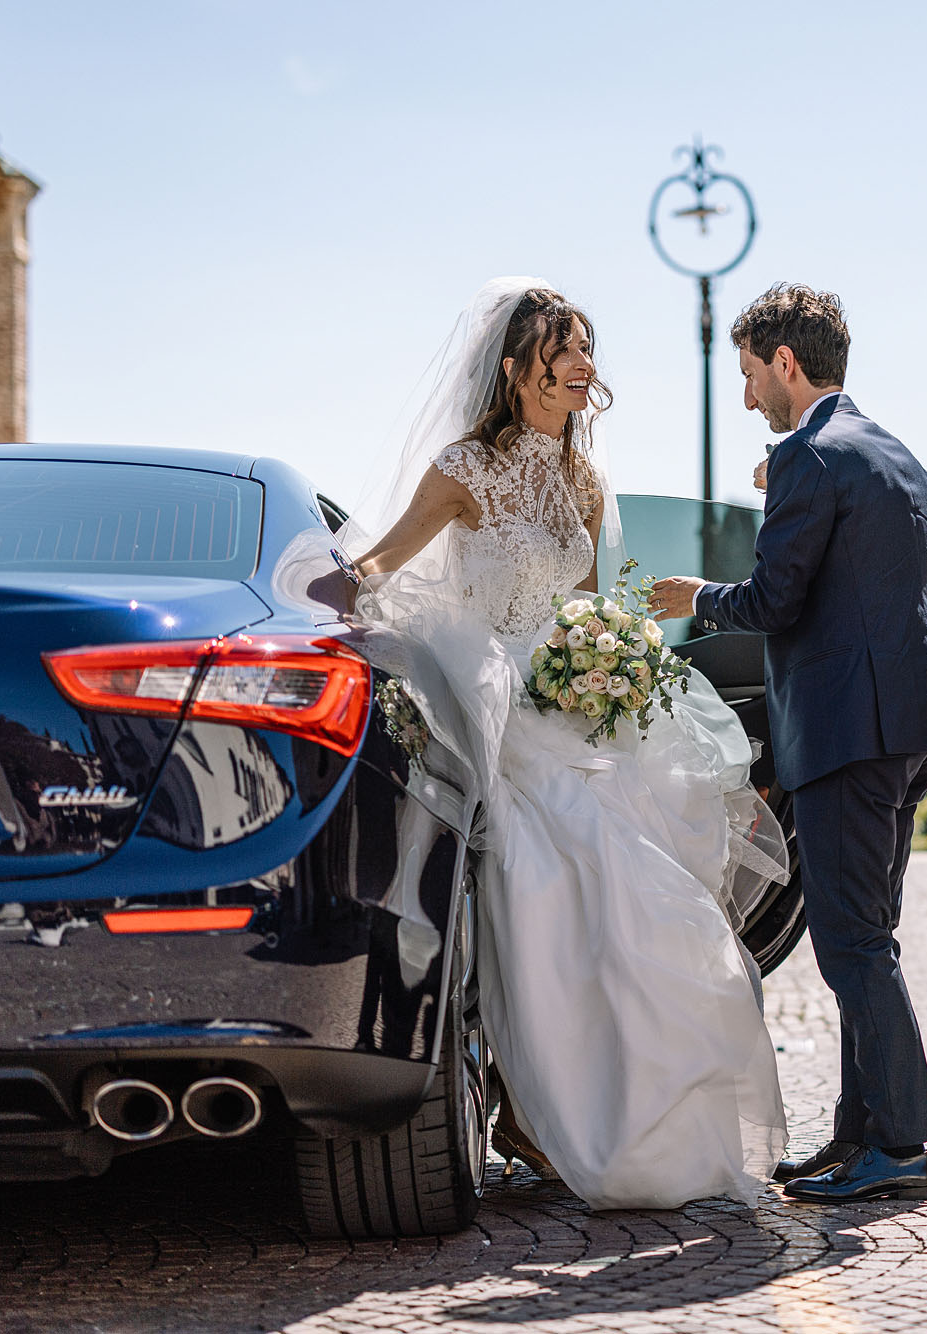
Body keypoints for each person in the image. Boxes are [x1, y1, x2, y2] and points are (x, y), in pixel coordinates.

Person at [338, 277, 788, 1211]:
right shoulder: (464, 469)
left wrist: (608, 657)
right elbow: (386, 561)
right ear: (516, 368)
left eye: (588, 350)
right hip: (490, 698)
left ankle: (600, 1109)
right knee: (548, 876)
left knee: (639, 884)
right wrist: (329, 599)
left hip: (570, 696)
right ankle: (525, 1101)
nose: (587, 367)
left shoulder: (582, 480)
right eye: (566, 350)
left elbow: (584, 602)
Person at [648, 283, 927, 1203]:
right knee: (868, 935)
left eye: (749, 374)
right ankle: (858, 1133)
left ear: (785, 363)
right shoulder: (900, 458)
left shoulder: (807, 458)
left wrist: (697, 596)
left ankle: (899, 1148)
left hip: (845, 738)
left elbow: (773, 602)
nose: (748, 397)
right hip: (914, 734)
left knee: (852, 944)